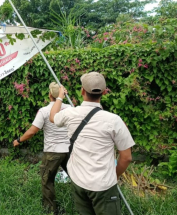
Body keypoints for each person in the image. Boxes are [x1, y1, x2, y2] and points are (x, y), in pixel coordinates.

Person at [49, 72, 135, 215]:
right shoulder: (114, 120)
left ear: (82, 91)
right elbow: (126, 157)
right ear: (104, 92)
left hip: (78, 182)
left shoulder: (70, 113)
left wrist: (59, 97)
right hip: (103, 185)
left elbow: (53, 117)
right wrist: (115, 175)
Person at [13, 82, 71, 214]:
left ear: (50, 94)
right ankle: (85, 206)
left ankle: (51, 210)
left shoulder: (44, 111)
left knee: (47, 181)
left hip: (52, 152)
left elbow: (32, 131)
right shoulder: (70, 109)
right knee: (79, 179)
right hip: (69, 151)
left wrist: (18, 140)